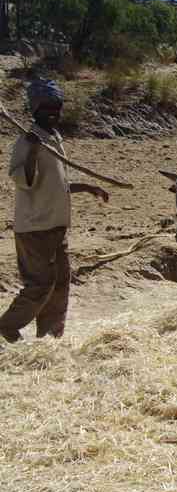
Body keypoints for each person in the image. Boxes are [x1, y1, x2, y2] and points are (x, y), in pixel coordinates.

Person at [0, 80, 109, 344]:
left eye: (56, 107)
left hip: (57, 226)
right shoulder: (26, 142)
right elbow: (24, 180)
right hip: (35, 228)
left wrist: (88, 187)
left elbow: (57, 185)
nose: (53, 112)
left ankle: (49, 338)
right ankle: (7, 327)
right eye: (46, 107)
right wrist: (33, 151)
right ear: (35, 109)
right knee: (40, 284)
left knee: (60, 282)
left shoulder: (54, 138)